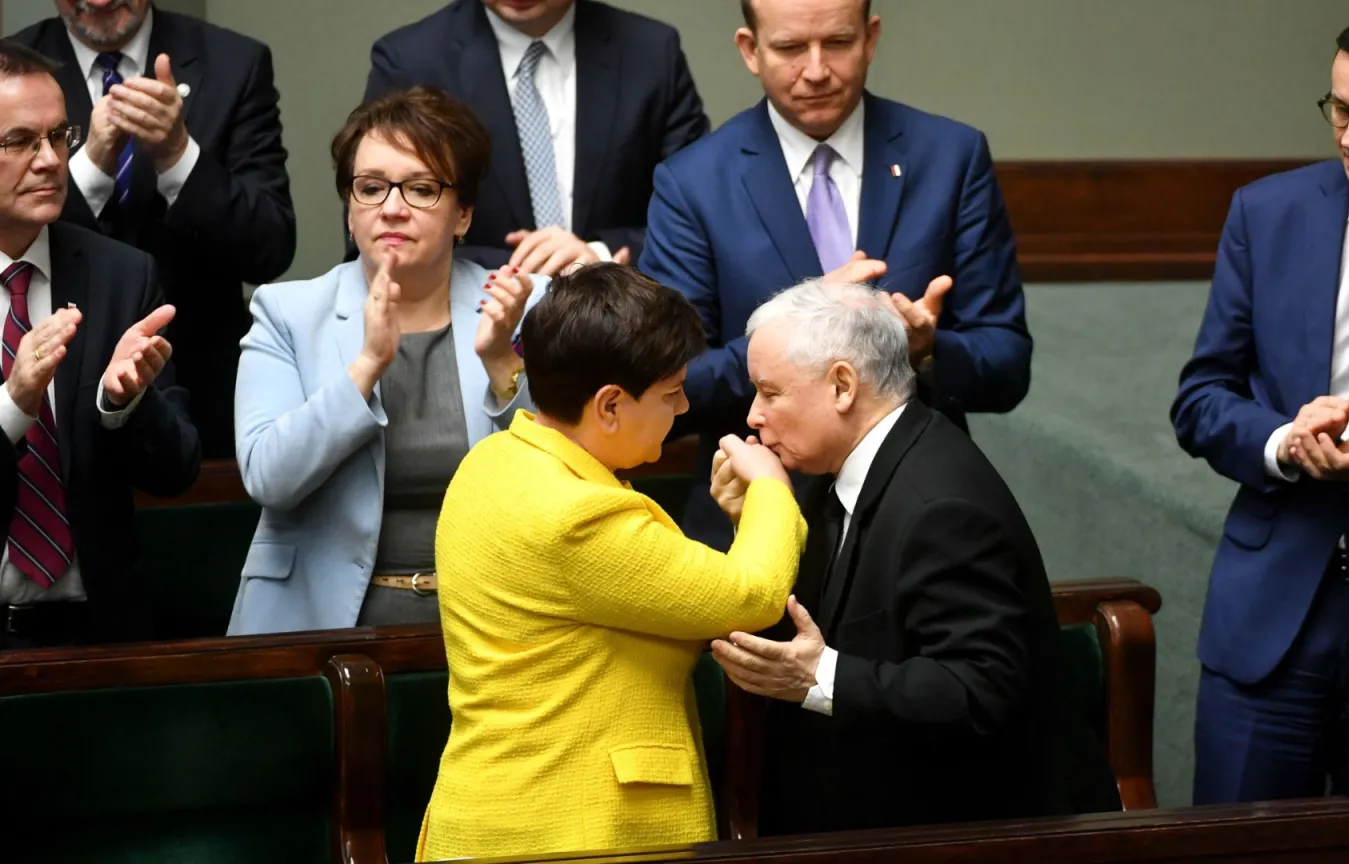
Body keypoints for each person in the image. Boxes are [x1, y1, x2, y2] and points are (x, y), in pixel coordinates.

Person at [418, 263, 807, 861]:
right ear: (609, 405)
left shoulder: (491, 461)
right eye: (671, 392)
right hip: (573, 833)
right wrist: (772, 490)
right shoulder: (577, 514)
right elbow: (750, 595)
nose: (683, 407)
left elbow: (670, 591)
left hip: (499, 813)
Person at [637, 0, 1031, 549]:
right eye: (791, 47)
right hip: (752, 521)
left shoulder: (950, 158)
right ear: (751, 50)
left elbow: (1008, 366)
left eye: (838, 43)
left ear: (870, 38)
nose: (817, 70)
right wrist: (797, 332)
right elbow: (670, 388)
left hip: (918, 522)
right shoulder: (693, 182)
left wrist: (923, 350)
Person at [707, 279, 1065, 834]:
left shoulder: (940, 507)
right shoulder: (833, 469)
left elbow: (981, 690)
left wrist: (820, 676)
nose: (753, 415)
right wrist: (753, 520)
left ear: (842, 386)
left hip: (951, 835)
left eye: (770, 393)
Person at [1171, 6, 1349, 860]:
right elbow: (1202, 396)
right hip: (1270, 619)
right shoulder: (1267, 213)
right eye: (1339, 108)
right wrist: (1282, 442)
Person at [226, 87, 537, 636]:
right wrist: (366, 366)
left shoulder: (523, 305)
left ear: (463, 215)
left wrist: (500, 363)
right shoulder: (287, 312)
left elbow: (569, 474)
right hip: (317, 623)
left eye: (421, 189)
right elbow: (269, 478)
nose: (392, 208)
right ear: (350, 214)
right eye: (370, 188)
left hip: (492, 621)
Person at [10, 0, 297, 458]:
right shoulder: (12, 70)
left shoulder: (234, 63)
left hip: (200, 393)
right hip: (48, 392)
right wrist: (89, 167)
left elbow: (271, 248)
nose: (100, 1)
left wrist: (178, 156)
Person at [0, 41, 200, 649]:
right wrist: (13, 406)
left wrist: (125, 403)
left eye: (59, 136)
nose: (50, 161)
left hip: (101, 635)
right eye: (20, 141)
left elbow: (177, 470)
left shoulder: (121, 275)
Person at [363, 0, 709, 274]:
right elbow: (376, 237)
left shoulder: (652, 54)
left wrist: (599, 255)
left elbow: (698, 215)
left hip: (623, 324)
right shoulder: (409, 63)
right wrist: (537, 265)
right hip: (468, 321)